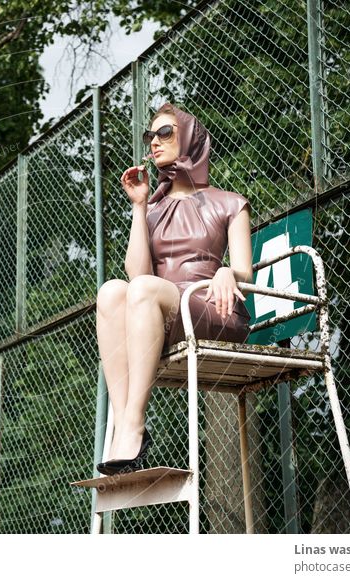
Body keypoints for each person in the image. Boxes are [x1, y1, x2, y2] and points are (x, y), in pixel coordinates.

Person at [95, 102, 253, 475]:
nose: (154, 142)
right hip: (161, 308)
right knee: (111, 292)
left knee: (144, 290)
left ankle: (132, 424)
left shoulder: (230, 202)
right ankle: (126, 425)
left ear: (191, 138)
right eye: (150, 136)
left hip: (213, 305)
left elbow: (244, 269)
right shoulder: (152, 208)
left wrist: (229, 272)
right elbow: (137, 274)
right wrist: (138, 206)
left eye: (165, 133)